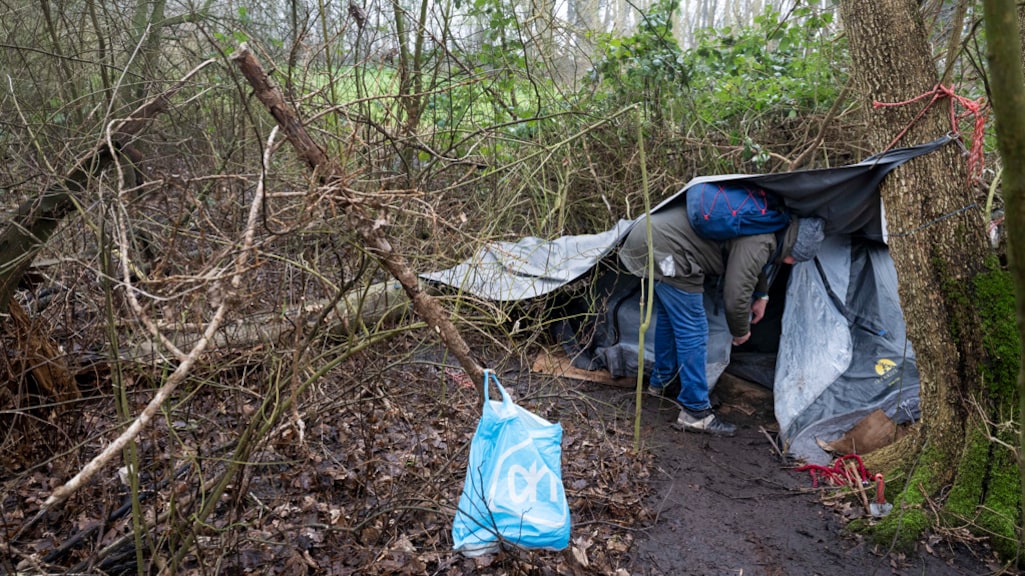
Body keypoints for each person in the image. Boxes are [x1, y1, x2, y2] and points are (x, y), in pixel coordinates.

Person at [619, 202, 825, 436]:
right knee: (693, 328)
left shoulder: (768, 226)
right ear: (794, 250)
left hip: (651, 236)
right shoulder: (762, 241)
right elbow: (735, 294)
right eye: (798, 259)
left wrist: (762, 294)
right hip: (668, 248)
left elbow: (751, 265)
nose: (794, 264)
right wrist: (740, 331)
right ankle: (695, 412)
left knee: (671, 316)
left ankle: (661, 383)